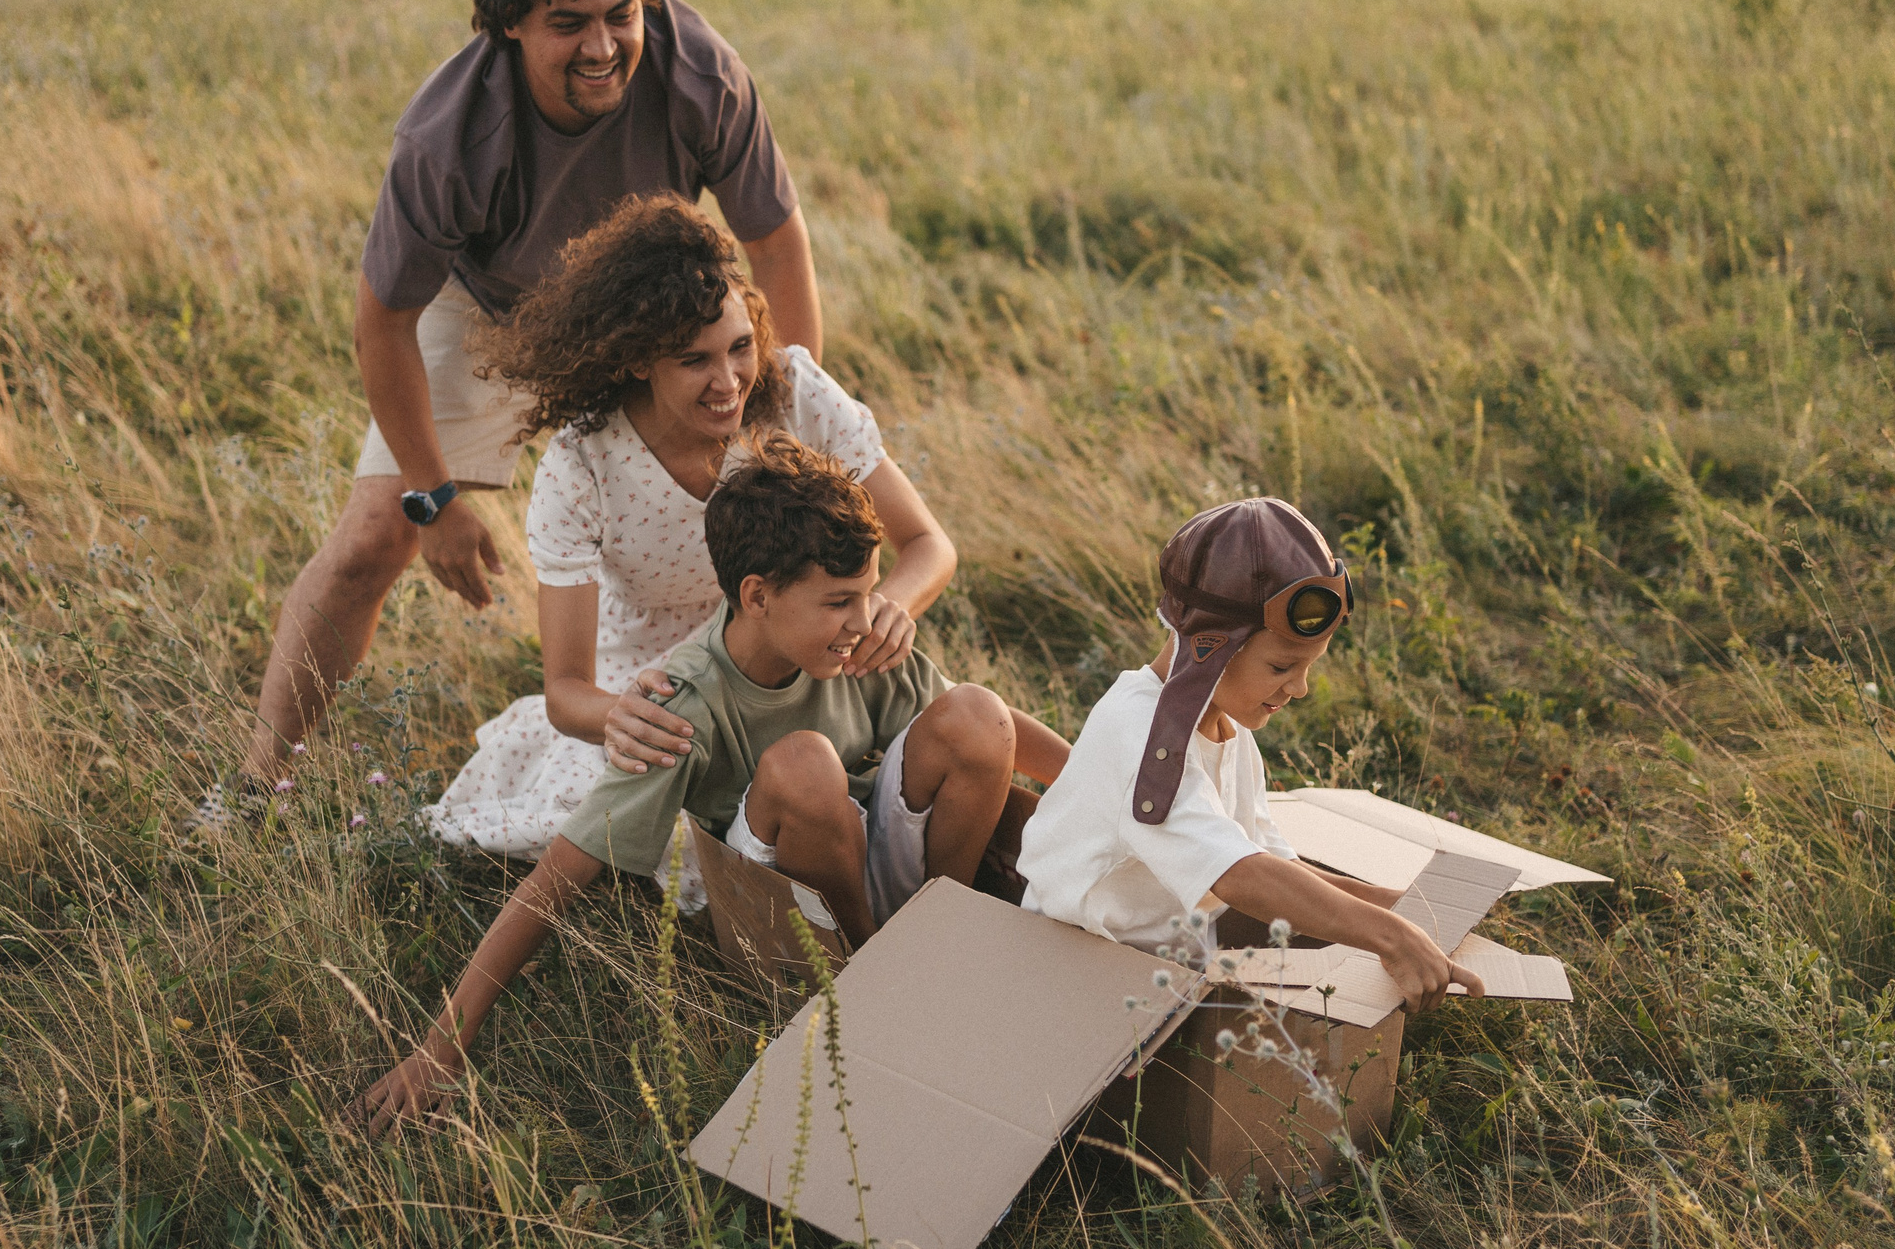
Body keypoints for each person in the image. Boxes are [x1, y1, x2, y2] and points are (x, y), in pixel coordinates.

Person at [201, 0, 825, 824]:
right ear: (510, 27)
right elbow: (383, 322)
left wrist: (782, 420)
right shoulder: (448, 138)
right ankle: (252, 786)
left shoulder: (699, 71)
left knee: (759, 527)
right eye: (567, 23)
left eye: (620, 13)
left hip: (657, 315)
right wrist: (434, 496)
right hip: (494, 310)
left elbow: (776, 241)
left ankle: (748, 773)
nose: (603, 45)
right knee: (374, 538)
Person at [354, 440, 1069, 1131]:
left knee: (977, 709)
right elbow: (557, 875)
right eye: (839, 601)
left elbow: (992, 731)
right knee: (804, 764)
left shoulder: (861, 641)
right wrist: (438, 1047)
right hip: (790, 905)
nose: (866, 619)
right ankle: (875, 982)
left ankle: (949, 931)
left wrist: (1097, 779)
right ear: (757, 596)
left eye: (870, 594)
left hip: (876, 849)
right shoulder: (685, 703)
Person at [423, 197, 956, 871]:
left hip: (795, 658)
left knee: (912, 762)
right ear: (641, 359)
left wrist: (889, 609)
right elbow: (566, 690)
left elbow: (929, 545)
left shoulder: (793, 393)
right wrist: (619, 716)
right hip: (662, 697)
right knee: (622, 833)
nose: (729, 381)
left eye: (739, 348)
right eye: (693, 360)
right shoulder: (584, 461)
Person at [1017, 498, 1484, 1013]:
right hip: (1070, 976)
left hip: (1160, 973)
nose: (1300, 688)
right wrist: (1391, 937)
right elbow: (1239, 875)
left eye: (1307, 667)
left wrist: (1409, 912)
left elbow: (1276, 866)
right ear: (1211, 646)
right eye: (1283, 666)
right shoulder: (1142, 734)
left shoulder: (1227, 730)